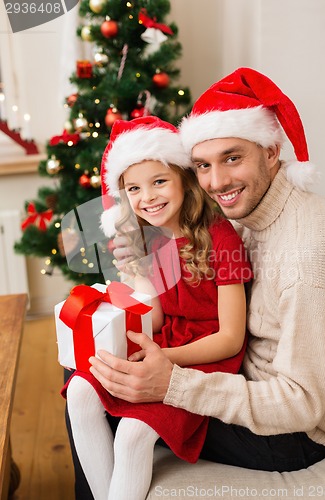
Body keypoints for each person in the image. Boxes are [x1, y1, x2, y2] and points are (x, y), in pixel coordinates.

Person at [87, 67, 325, 475]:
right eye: (202, 166)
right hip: (238, 374)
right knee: (91, 366)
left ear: (271, 152)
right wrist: (141, 261)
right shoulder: (240, 216)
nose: (215, 182)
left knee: (111, 397)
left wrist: (172, 383)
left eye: (232, 158)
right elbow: (181, 290)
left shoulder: (311, 249)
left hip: (290, 434)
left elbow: (300, 404)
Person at [62, 115, 252, 500]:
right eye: (134, 188)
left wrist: (163, 358)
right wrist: (136, 275)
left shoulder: (221, 237)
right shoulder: (150, 237)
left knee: (132, 434)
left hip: (204, 356)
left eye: (159, 181)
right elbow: (159, 317)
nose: (147, 197)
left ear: (183, 178)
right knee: (81, 389)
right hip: (164, 341)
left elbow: (231, 338)